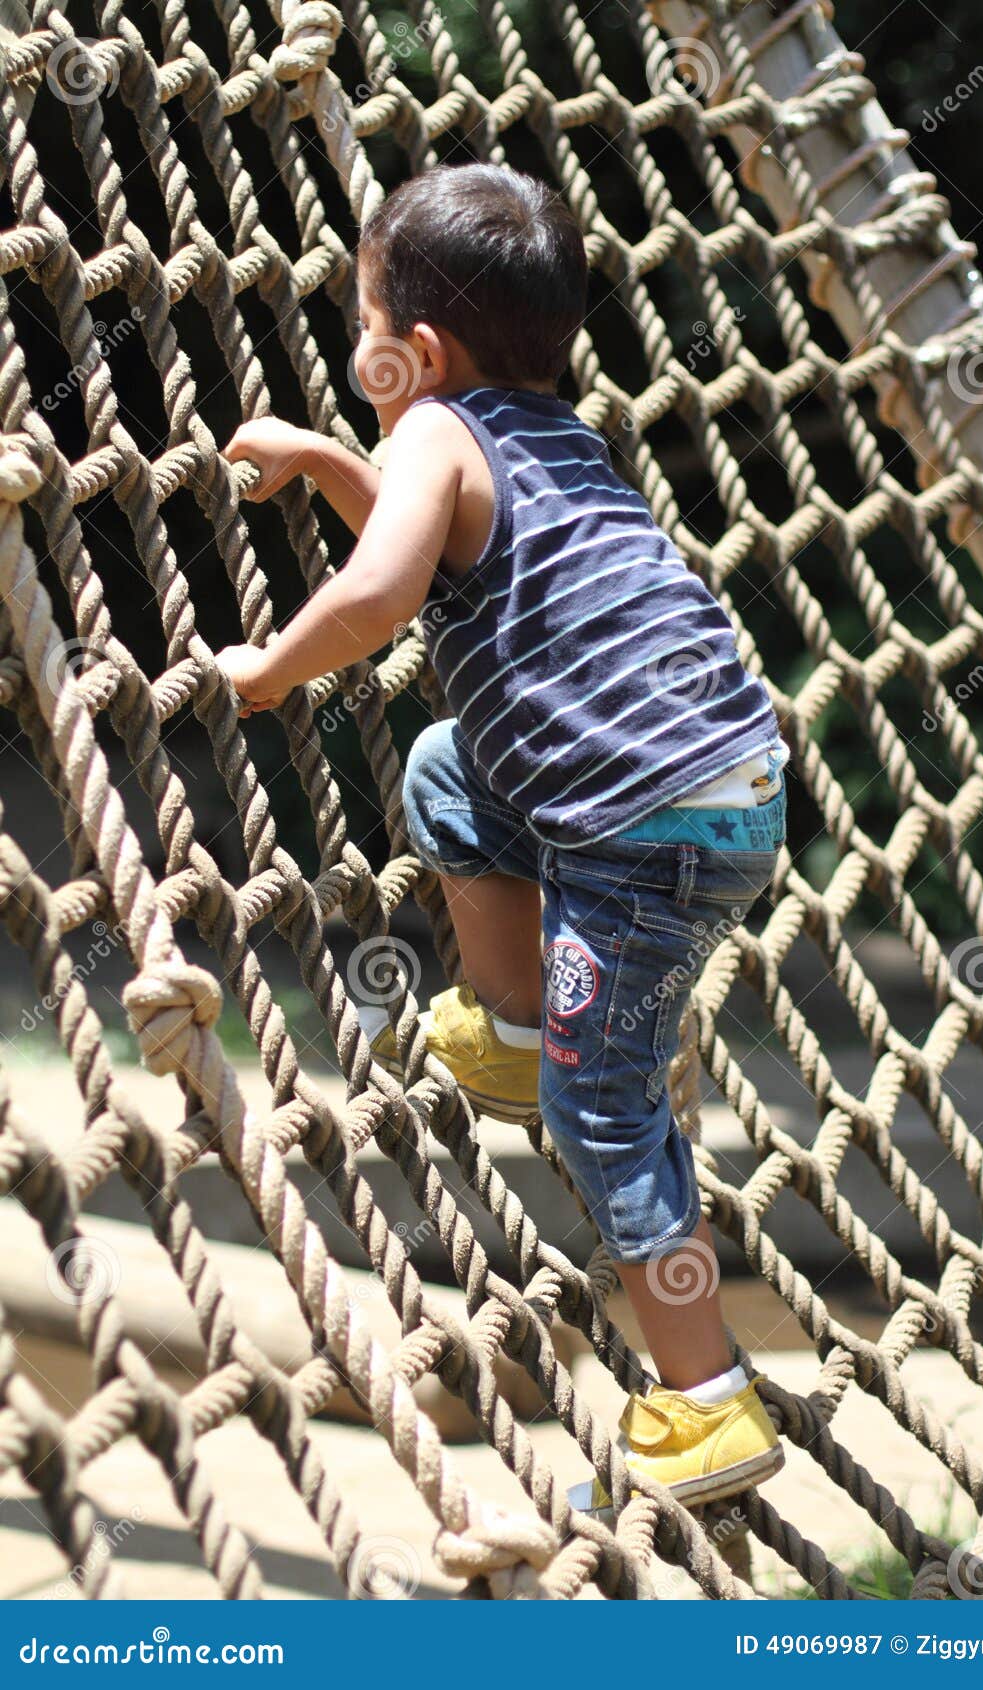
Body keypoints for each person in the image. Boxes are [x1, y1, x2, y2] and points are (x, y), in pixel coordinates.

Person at [214, 162, 787, 1517]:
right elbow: (438, 541)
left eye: (362, 330)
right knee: (449, 769)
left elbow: (378, 592)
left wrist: (273, 671)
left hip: (635, 834)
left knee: (611, 1106)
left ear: (416, 354)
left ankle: (707, 1399)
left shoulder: (434, 434)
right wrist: (324, 462)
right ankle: (518, 1027)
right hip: (715, 783)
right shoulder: (550, 436)